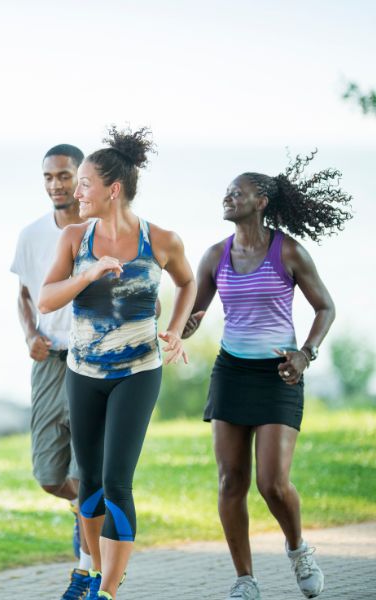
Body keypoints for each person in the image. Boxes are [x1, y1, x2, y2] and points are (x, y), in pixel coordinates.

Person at [182, 151, 352, 600]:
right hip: (231, 372)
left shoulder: (288, 251)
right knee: (230, 481)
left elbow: (325, 307)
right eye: (226, 192)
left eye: (237, 193)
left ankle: (298, 549)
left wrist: (305, 354)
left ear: (261, 202)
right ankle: (245, 579)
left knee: (272, 484)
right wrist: (180, 326)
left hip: (280, 374)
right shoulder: (215, 255)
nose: (228, 198)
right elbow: (193, 313)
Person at [39, 126, 196, 600]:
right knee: (88, 482)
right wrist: (87, 275)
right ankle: (93, 570)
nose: (76, 192)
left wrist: (175, 328)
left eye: (84, 183)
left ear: (113, 189)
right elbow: (46, 300)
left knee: (116, 481)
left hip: (138, 372)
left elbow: (187, 283)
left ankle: (106, 591)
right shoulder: (74, 238)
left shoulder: (161, 240)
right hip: (83, 373)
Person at [11, 143, 95, 597]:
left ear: (81, 178)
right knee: (48, 476)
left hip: (91, 360)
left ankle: (87, 564)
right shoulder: (31, 235)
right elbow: (25, 295)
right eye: (48, 176)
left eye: (64, 175)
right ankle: (88, 510)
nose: (55, 184)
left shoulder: (101, 231)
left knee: (84, 472)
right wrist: (30, 335)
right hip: (48, 360)